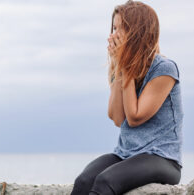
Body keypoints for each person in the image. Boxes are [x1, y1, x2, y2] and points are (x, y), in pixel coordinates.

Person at [70, 1, 183, 195]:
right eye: (113, 28)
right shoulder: (124, 70)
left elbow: (135, 117)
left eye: (120, 29)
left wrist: (124, 66)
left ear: (137, 32)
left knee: (106, 181)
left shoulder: (164, 69)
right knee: (84, 181)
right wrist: (119, 70)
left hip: (162, 158)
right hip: (126, 155)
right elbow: (117, 117)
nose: (113, 35)